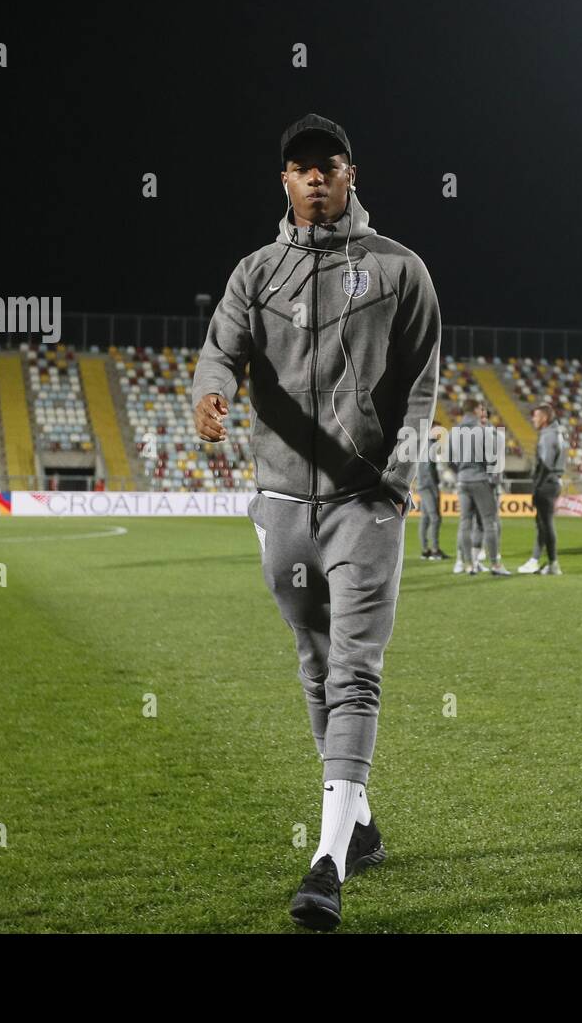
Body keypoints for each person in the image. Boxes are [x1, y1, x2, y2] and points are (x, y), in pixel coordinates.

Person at [192, 114, 440, 931]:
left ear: (350, 173)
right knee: (314, 663)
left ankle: (326, 862)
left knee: (355, 670)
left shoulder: (400, 271)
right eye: (300, 170)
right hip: (283, 507)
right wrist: (209, 392)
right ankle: (359, 823)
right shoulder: (256, 272)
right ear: (285, 182)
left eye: (327, 167)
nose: (315, 181)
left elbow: (423, 385)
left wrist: (396, 477)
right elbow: (219, 348)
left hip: (364, 503)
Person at [450, 399, 509, 576]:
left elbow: (449, 460)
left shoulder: (453, 432)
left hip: (462, 481)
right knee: (489, 522)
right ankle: (495, 565)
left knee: (465, 522)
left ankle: (468, 564)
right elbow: (492, 459)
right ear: (476, 409)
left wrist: (461, 473)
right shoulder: (483, 431)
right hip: (480, 479)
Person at [518, 403, 565, 575]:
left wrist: (536, 487)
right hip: (552, 482)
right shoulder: (555, 433)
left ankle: (553, 563)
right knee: (542, 524)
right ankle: (536, 560)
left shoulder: (548, 436)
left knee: (546, 523)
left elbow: (545, 465)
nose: (533, 419)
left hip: (547, 483)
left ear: (544, 418)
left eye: (536, 416)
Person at [417, 428, 446, 560]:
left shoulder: (422, 446)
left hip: (422, 485)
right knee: (435, 518)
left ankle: (425, 550)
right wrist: (436, 486)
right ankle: (434, 550)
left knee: (425, 518)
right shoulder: (432, 447)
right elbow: (430, 469)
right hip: (428, 486)